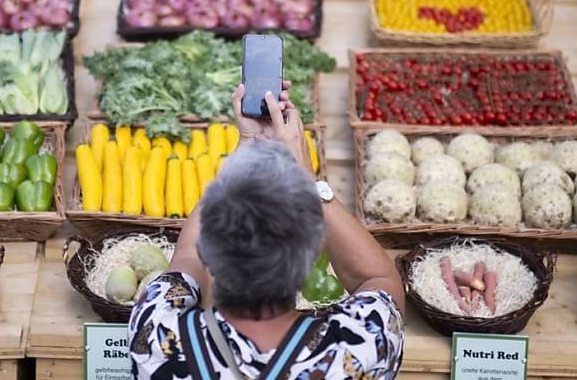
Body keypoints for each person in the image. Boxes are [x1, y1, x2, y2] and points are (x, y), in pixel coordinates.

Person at [128, 81, 405, 380]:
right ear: (311, 258)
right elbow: (378, 278)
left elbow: (185, 257)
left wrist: (243, 152)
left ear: (208, 252)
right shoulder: (357, 350)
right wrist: (308, 181)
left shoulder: (156, 337)